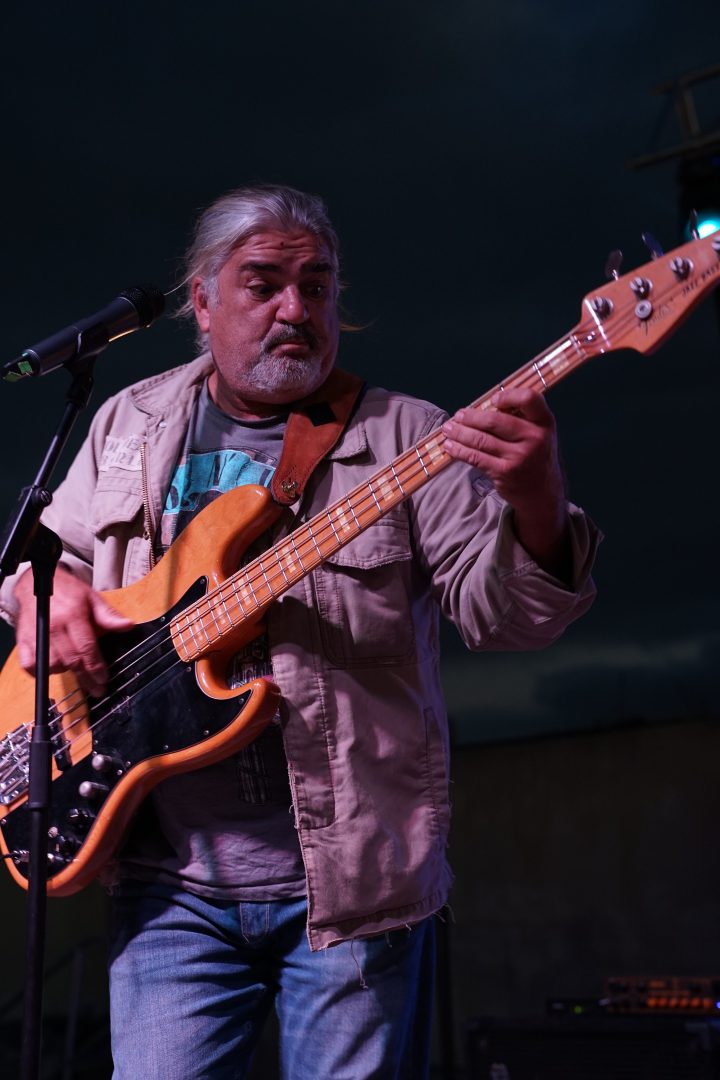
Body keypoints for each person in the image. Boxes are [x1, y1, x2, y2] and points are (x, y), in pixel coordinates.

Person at [0, 184, 599, 1079]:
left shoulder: (408, 437)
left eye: (315, 286)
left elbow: (508, 619)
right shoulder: (129, 421)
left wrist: (538, 497)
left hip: (353, 890)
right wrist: (39, 599)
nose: (295, 309)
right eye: (263, 284)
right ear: (202, 301)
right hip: (165, 882)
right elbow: (49, 570)